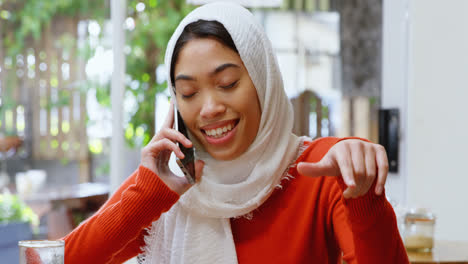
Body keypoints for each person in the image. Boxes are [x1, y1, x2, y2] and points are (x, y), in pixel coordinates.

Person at [63, 2, 409, 263]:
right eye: (188, 93)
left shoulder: (321, 168)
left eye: (227, 83)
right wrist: (146, 195)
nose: (209, 107)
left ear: (263, 80)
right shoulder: (171, 186)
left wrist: (365, 197)